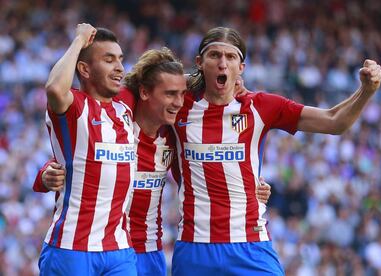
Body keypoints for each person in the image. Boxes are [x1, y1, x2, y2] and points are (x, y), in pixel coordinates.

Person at [34, 46, 272, 275]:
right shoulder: (121, 111)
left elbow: (207, 169)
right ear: (145, 92)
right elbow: (76, 153)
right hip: (104, 248)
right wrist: (46, 174)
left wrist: (253, 186)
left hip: (149, 252)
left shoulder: (173, 135)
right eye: (170, 94)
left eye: (181, 94)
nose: (178, 102)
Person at [171, 26, 381, 275]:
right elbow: (144, 82)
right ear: (199, 62)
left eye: (231, 57)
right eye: (214, 55)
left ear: (242, 68)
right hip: (195, 247)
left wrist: (366, 91)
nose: (222, 64)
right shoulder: (177, 103)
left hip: (250, 245)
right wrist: (184, 79)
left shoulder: (261, 106)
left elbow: (334, 121)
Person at [38, 23, 137, 275]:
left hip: (119, 250)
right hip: (71, 248)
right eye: (108, 60)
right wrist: (80, 40)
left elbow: (166, 88)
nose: (119, 68)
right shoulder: (75, 106)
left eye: (120, 60)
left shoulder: (125, 111)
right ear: (84, 69)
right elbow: (54, 88)